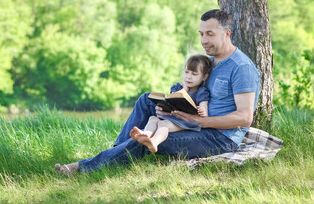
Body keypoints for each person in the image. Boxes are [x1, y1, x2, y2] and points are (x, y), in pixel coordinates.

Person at [55, 9, 260, 175]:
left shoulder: (241, 67)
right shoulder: (211, 62)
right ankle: (115, 152)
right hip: (193, 123)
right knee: (147, 100)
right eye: (201, 34)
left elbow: (244, 118)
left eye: (210, 34)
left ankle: (82, 168)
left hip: (217, 138)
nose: (204, 40)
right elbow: (196, 92)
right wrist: (170, 108)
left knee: (146, 140)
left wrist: (198, 121)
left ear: (227, 33)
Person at [130, 54, 212, 154]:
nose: (189, 77)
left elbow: (205, 113)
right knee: (153, 119)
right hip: (174, 118)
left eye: (194, 74)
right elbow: (172, 100)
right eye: (186, 72)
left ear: (204, 76)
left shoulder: (201, 92)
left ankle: (154, 142)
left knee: (163, 124)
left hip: (188, 123)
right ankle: (145, 135)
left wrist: (202, 110)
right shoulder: (177, 88)